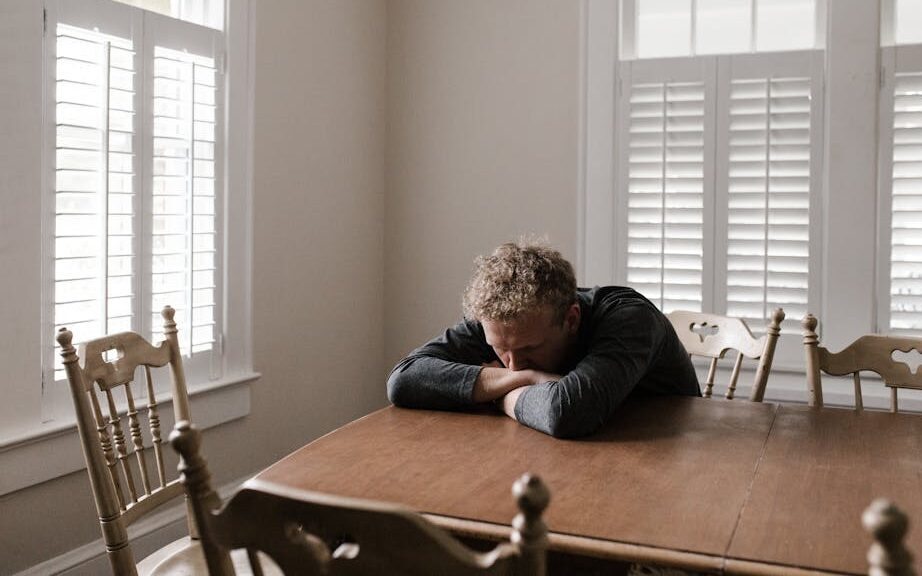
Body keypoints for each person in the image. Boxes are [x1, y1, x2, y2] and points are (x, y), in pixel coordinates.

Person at [386, 241, 700, 438]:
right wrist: (528, 378)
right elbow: (403, 380)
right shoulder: (502, 322)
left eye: (530, 350)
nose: (513, 364)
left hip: (677, 455)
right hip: (568, 452)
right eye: (500, 350)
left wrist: (499, 395)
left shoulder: (629, 318)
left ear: (571, 319)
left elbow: (567, 412)